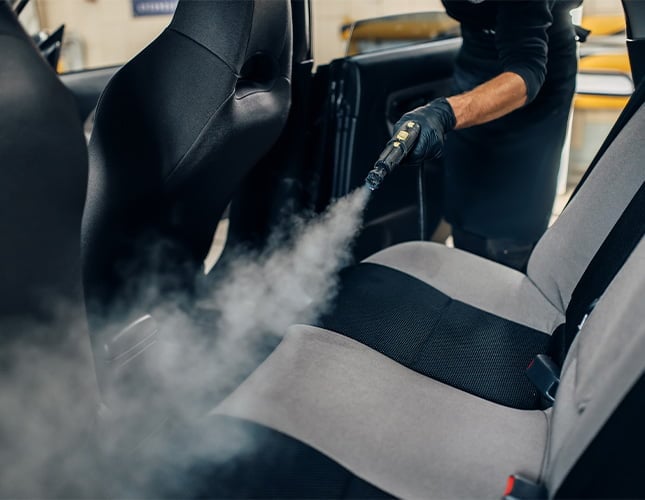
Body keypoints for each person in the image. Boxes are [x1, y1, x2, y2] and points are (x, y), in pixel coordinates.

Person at [396, 0, 581, 271]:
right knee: (464, 198)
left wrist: (447, 112)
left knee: (507, 221)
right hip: (475, 62)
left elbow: (526, 72)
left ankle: (509, 267)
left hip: (531, 81)